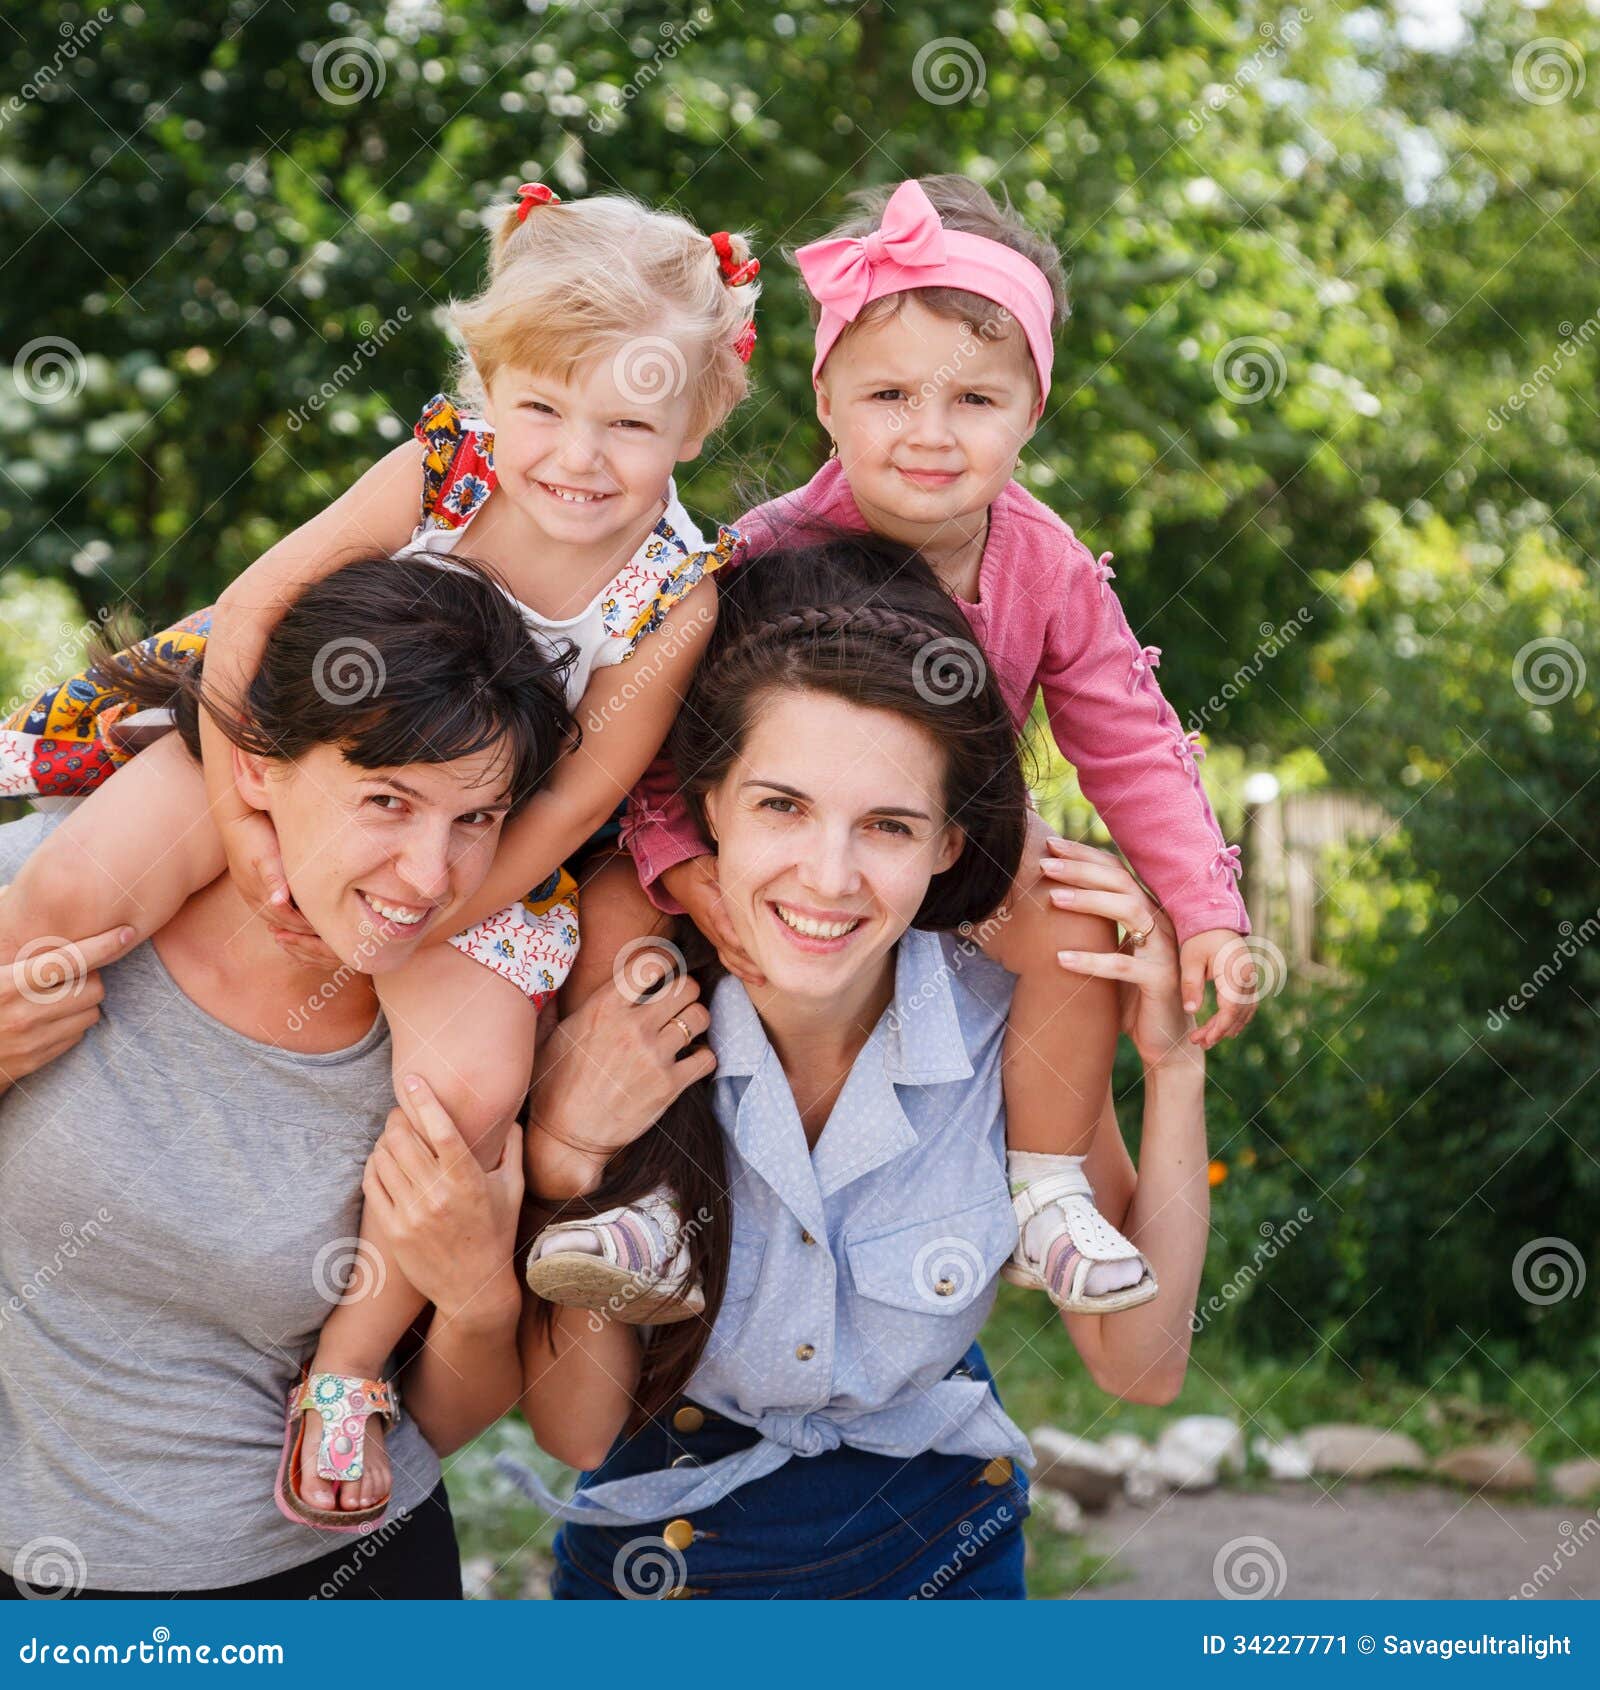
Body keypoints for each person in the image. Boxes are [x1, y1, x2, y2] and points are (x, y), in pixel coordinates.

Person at [0, 183, 758, 1522]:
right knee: (70, 883)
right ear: (489, 383)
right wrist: (248, 828)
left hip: (491, 853)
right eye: (544, 407)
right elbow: (254, 614)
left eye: (630, 424)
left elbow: (576, 797)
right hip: (280, 743)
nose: (577, 458)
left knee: (465, 1095)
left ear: (696, 419)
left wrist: (426, 902)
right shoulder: (447, 466)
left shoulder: (674, 593)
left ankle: (345, 1375)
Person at [577, 174, 1251, 1325]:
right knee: (614, 915)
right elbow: (644, 739)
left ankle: (1043, 1194)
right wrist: (685, 863)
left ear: (1030, 413)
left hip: (955, 848)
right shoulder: (750, 556)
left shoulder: (1046, 564)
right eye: (889, 392)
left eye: (975, 400)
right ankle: (642, 1203)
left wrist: (1206, 912)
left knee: (1081, 915)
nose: (929, 435)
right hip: (758, 847)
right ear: (826, 395)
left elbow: (1130, 738)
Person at [514, 540, 1210, 1599]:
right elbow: (578, 1427)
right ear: (707, 807)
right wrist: (566, 1157)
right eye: (780, 807)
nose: (828, 878)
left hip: (939, 1548)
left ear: (945, 844)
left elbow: (1141, 1365)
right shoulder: (629, 1005)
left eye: (887, 825)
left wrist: (1171, 1065)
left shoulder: (1007, 1038)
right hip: (664, 1557)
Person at [0, 553, 565, 1592]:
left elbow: (445, 1419)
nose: (430, 876)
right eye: (388, 801)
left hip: (334, 1585)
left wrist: (479, 1295)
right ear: (255, 766)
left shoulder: (475, 1035)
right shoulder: (53, 891)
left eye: (474, 818)